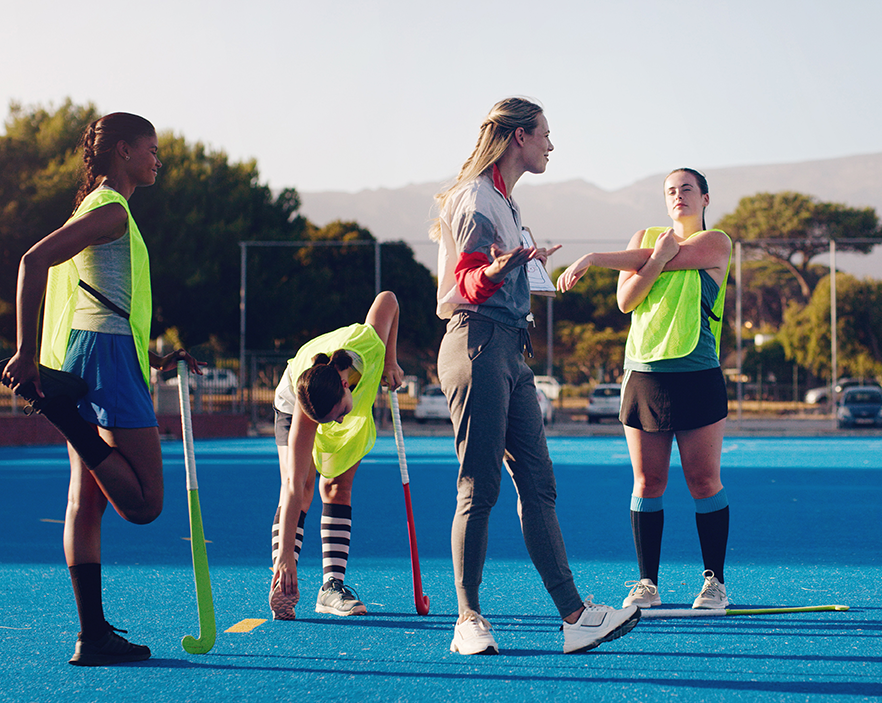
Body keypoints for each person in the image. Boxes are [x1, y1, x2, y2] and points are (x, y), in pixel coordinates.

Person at [431, 97, 640, 655]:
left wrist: (529, 267)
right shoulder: (476, 198)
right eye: (546, 133)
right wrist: (498, 270)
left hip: (508, 349)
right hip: (476, 342)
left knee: (539, 483)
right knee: (480, 485)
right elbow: (470, 283)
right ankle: (468, 619)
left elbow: (495, 274)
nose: (551, 144)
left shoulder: (505, 201)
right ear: (520, 136)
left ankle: (575, 616)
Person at [0, 113, 203, 666]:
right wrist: (26, 352)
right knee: (143, 505)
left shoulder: (106, 210)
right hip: (103, 359)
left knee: (85, 501)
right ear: (123, 152)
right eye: (151, 149)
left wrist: (156, 358)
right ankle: (58, 410)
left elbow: (106, 298)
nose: (158, 158)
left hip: (96, 353)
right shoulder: (111, 209)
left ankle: (93, 636)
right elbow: (32, 261)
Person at [556, 168, 733, 610]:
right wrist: (649, 257)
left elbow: (673, 259)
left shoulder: (717, 243)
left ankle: (714, 584)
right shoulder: (645, 237)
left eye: (687, 190)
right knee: (647, 481)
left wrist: (598, 257)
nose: (678, 197)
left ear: (706, 198)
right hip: (644, 375)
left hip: (697, 373)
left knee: (703, 480)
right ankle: (646, 584)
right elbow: (626, 300)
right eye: (671, 191)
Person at [268, 292, 403, 620]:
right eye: (332, 420)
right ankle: (283, 580)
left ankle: (331, 588)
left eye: (338, 414)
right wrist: (285, 554)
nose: (338, 422)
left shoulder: (369, 345)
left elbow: (388, 300)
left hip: (343, 400)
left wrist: (390, 360)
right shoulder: (309, 408)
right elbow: (292, 485)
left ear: (345, 384)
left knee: (337, 488)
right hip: (292, 403)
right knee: (303, 491)